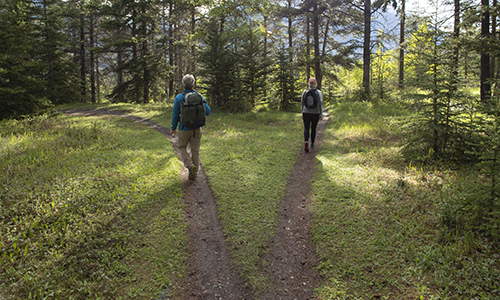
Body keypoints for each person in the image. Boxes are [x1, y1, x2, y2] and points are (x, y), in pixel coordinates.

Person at [171, 74, 211, 180]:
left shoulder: (179, 97)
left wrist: (173, 128)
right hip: (197, 128)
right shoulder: (200, 96)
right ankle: (195, 172)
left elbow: (175, 115)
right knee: (195, 150)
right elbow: (208, 112)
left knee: (182, 146)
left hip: (183, 128)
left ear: (183, 84)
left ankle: (190, 166)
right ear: (193, 84)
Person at [301, 77, 323, 153]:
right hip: (315, 113)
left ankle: (306, 141)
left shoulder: (305, 91)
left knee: (306, 128)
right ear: (315, 83)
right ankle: (312, 143)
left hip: (306, 112)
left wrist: (303, 111)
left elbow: (302, 102)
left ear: (308, 83)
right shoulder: (318, 92)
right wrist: (321, 113)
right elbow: (320, 103)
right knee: (313, 128)